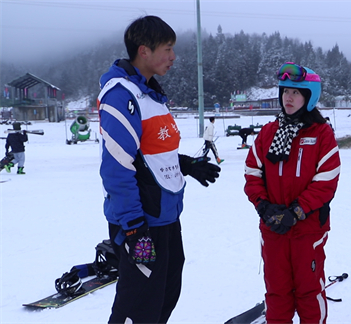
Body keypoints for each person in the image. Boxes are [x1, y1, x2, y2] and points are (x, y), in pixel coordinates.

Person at [97, 16, 221, 324]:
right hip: (141, 223)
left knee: (164, 297)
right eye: (167, 49)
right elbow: (117, 168)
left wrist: (187, 164)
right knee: (137, 308)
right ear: (144, 51)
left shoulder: (151, 94)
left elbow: (151, 154)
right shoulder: (120, 95)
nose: (173, 57)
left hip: (165, 217)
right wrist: (135, 229)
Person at [244, 62, 341, 324]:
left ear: (310, 96)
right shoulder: (268, 132)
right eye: (286, 91)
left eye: (297, 92)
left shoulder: (322, 134)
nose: (289, 97)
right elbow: (252, 172)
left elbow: (327, 180)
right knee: (277, 295)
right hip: (273, 229)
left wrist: (297, 211)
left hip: (307, 231)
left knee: (309, 294)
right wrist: (264, 207)